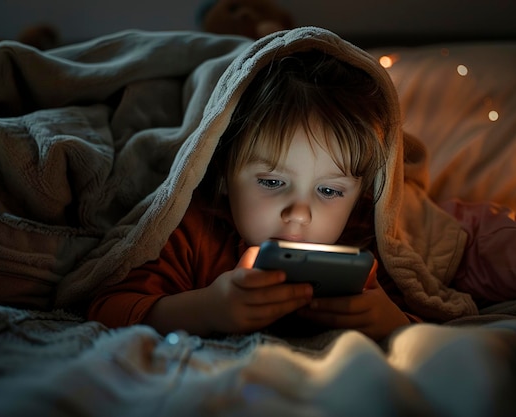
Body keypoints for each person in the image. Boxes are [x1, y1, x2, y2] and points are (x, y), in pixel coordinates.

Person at [88, 49, 417, 341]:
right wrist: (207, 308)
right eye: (272, 182)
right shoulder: (193, 233)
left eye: (329, 190)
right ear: (223, 173)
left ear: (361, 194)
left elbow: (434, 320)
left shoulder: (366, 248)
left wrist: (392, 324)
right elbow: (107, 309)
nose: (299, 213)